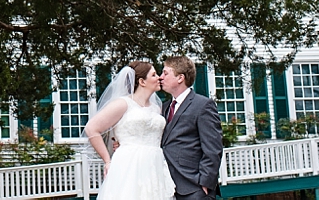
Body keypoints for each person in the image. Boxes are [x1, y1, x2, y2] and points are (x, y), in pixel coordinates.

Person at [83, 61, 176, 200]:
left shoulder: (156, 108)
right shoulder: (122, 104)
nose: (159, 78)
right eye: (154, 75)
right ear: (142, 81)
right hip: (130, 163)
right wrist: (107, 160)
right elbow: (92, 128)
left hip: (154, 163)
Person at [160, 56, 223, 200]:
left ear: (180, 78)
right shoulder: (164, 108)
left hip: (194, 187)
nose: (160, 77)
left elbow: (213, 147)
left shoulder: (203, 105)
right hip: (166, 186)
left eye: (165, 73)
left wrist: (205, 182)